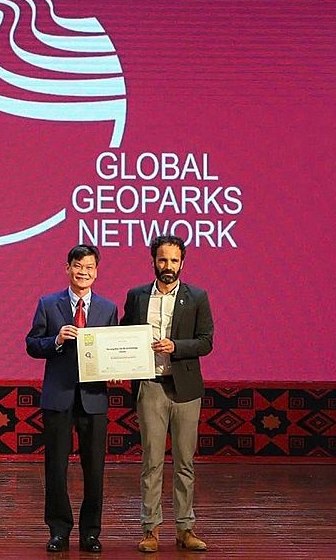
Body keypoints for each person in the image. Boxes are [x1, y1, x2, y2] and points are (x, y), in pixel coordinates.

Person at [121, 235, 214, 553]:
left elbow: (206, 341)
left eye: (174, 260)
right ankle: (151, 529)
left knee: (185, 462)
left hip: (185, 390)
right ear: (153, 261)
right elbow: (124, 335)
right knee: (152, 462)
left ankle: (185, 528)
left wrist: (176, 346)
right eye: (163, 259)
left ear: (182, 262)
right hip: (150, 387)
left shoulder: (197, 296)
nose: (168, 266)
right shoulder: (136, 296)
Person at [25, 244, 118, 553]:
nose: (83, 272)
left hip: (94, 398)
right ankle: (58, 530)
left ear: (96, 272)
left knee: (95, 469)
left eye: (89, 267)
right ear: (67, 269)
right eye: (78, 266)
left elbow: (113, 349)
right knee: (55, 468)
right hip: (59, 396)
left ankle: (91, 533)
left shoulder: (108, 308)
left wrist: (116, 369)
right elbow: (32, 344)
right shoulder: (48, 304)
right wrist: (56, 339)